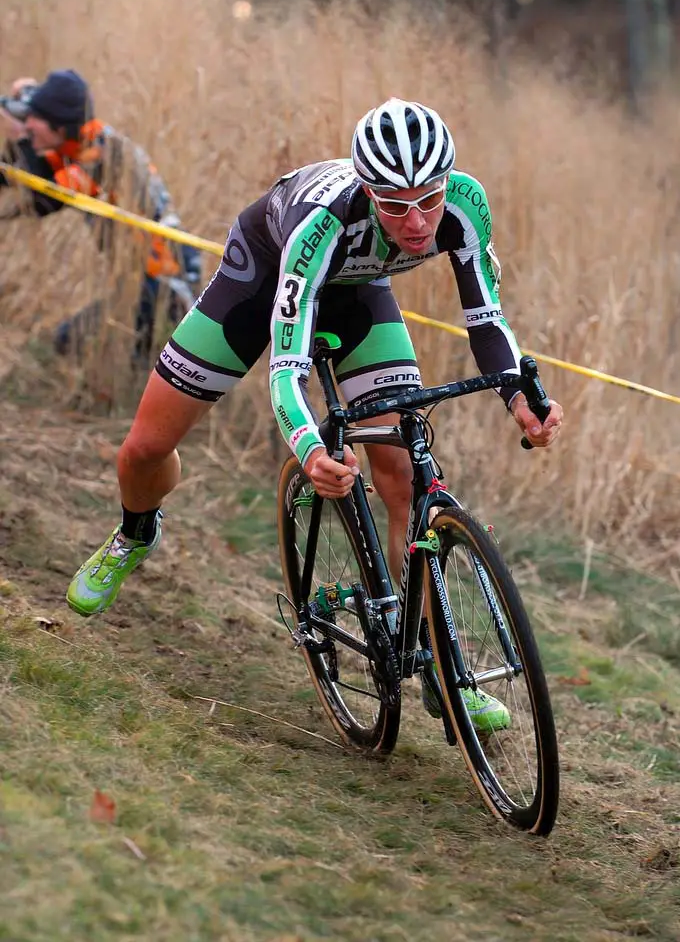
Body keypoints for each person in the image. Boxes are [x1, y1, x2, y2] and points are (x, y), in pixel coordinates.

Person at [66, 97, 563, 729]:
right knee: (143, 450)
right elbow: (287, 368)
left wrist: (522, 399)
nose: (416, 222)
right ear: (367, 189)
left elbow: (486, 318)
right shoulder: (323, 224)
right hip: (263, 283)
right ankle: (135, 533)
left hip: (357, 294)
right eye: (395, 204)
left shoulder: (464, 204)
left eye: (429, 198)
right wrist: (311, 449)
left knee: (407, 480)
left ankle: (440, 664)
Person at [0, 69, 202, 363]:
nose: (27, 125)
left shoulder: (102, 158)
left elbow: (43, 200)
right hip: (144, 281)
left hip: (167, 289)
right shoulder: (74, 141)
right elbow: (18, 174)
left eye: (34, 120)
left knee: (69, 343)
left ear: (58, 128)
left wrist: (21, 139)